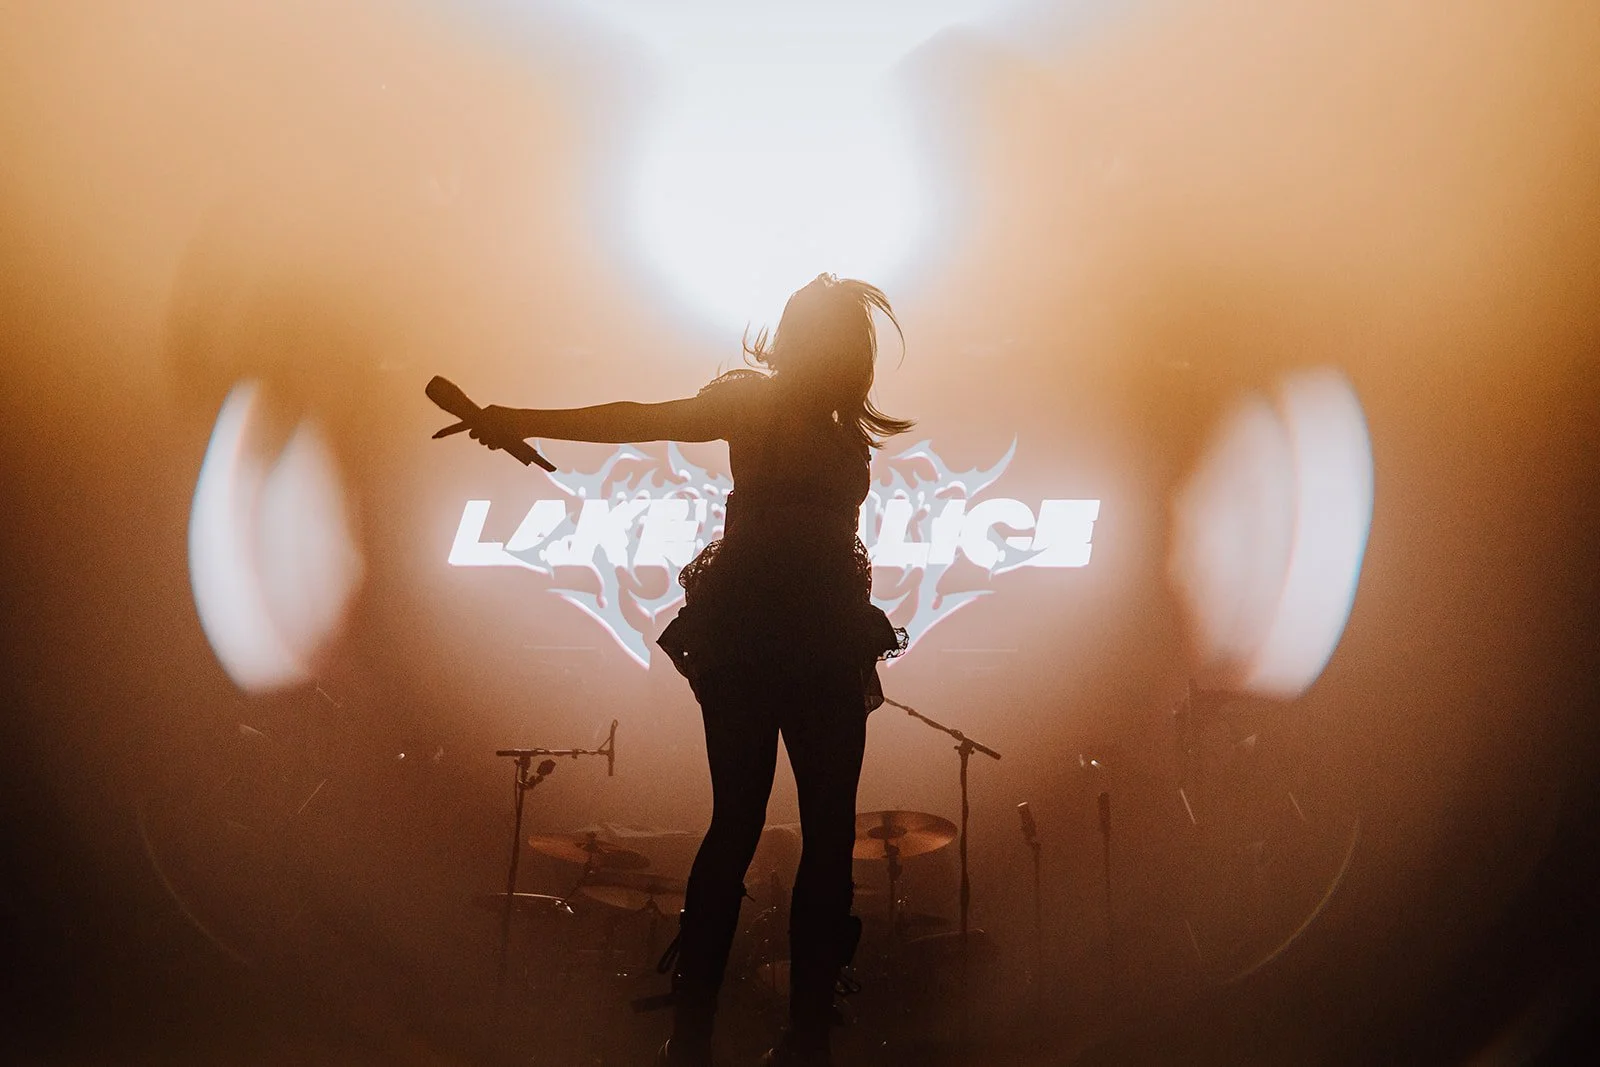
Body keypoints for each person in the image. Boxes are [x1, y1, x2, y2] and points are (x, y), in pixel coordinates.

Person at [452, 274, 911, 1066]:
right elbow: (638, 419)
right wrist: (516, 419)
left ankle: (778, 1035)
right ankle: (710, 1034)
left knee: (810, 832)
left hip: (804, 628)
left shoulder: (837, 431)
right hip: (769, 626)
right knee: (760, 825)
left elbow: (640, 420)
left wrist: (514, 420)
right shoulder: (757, 405)